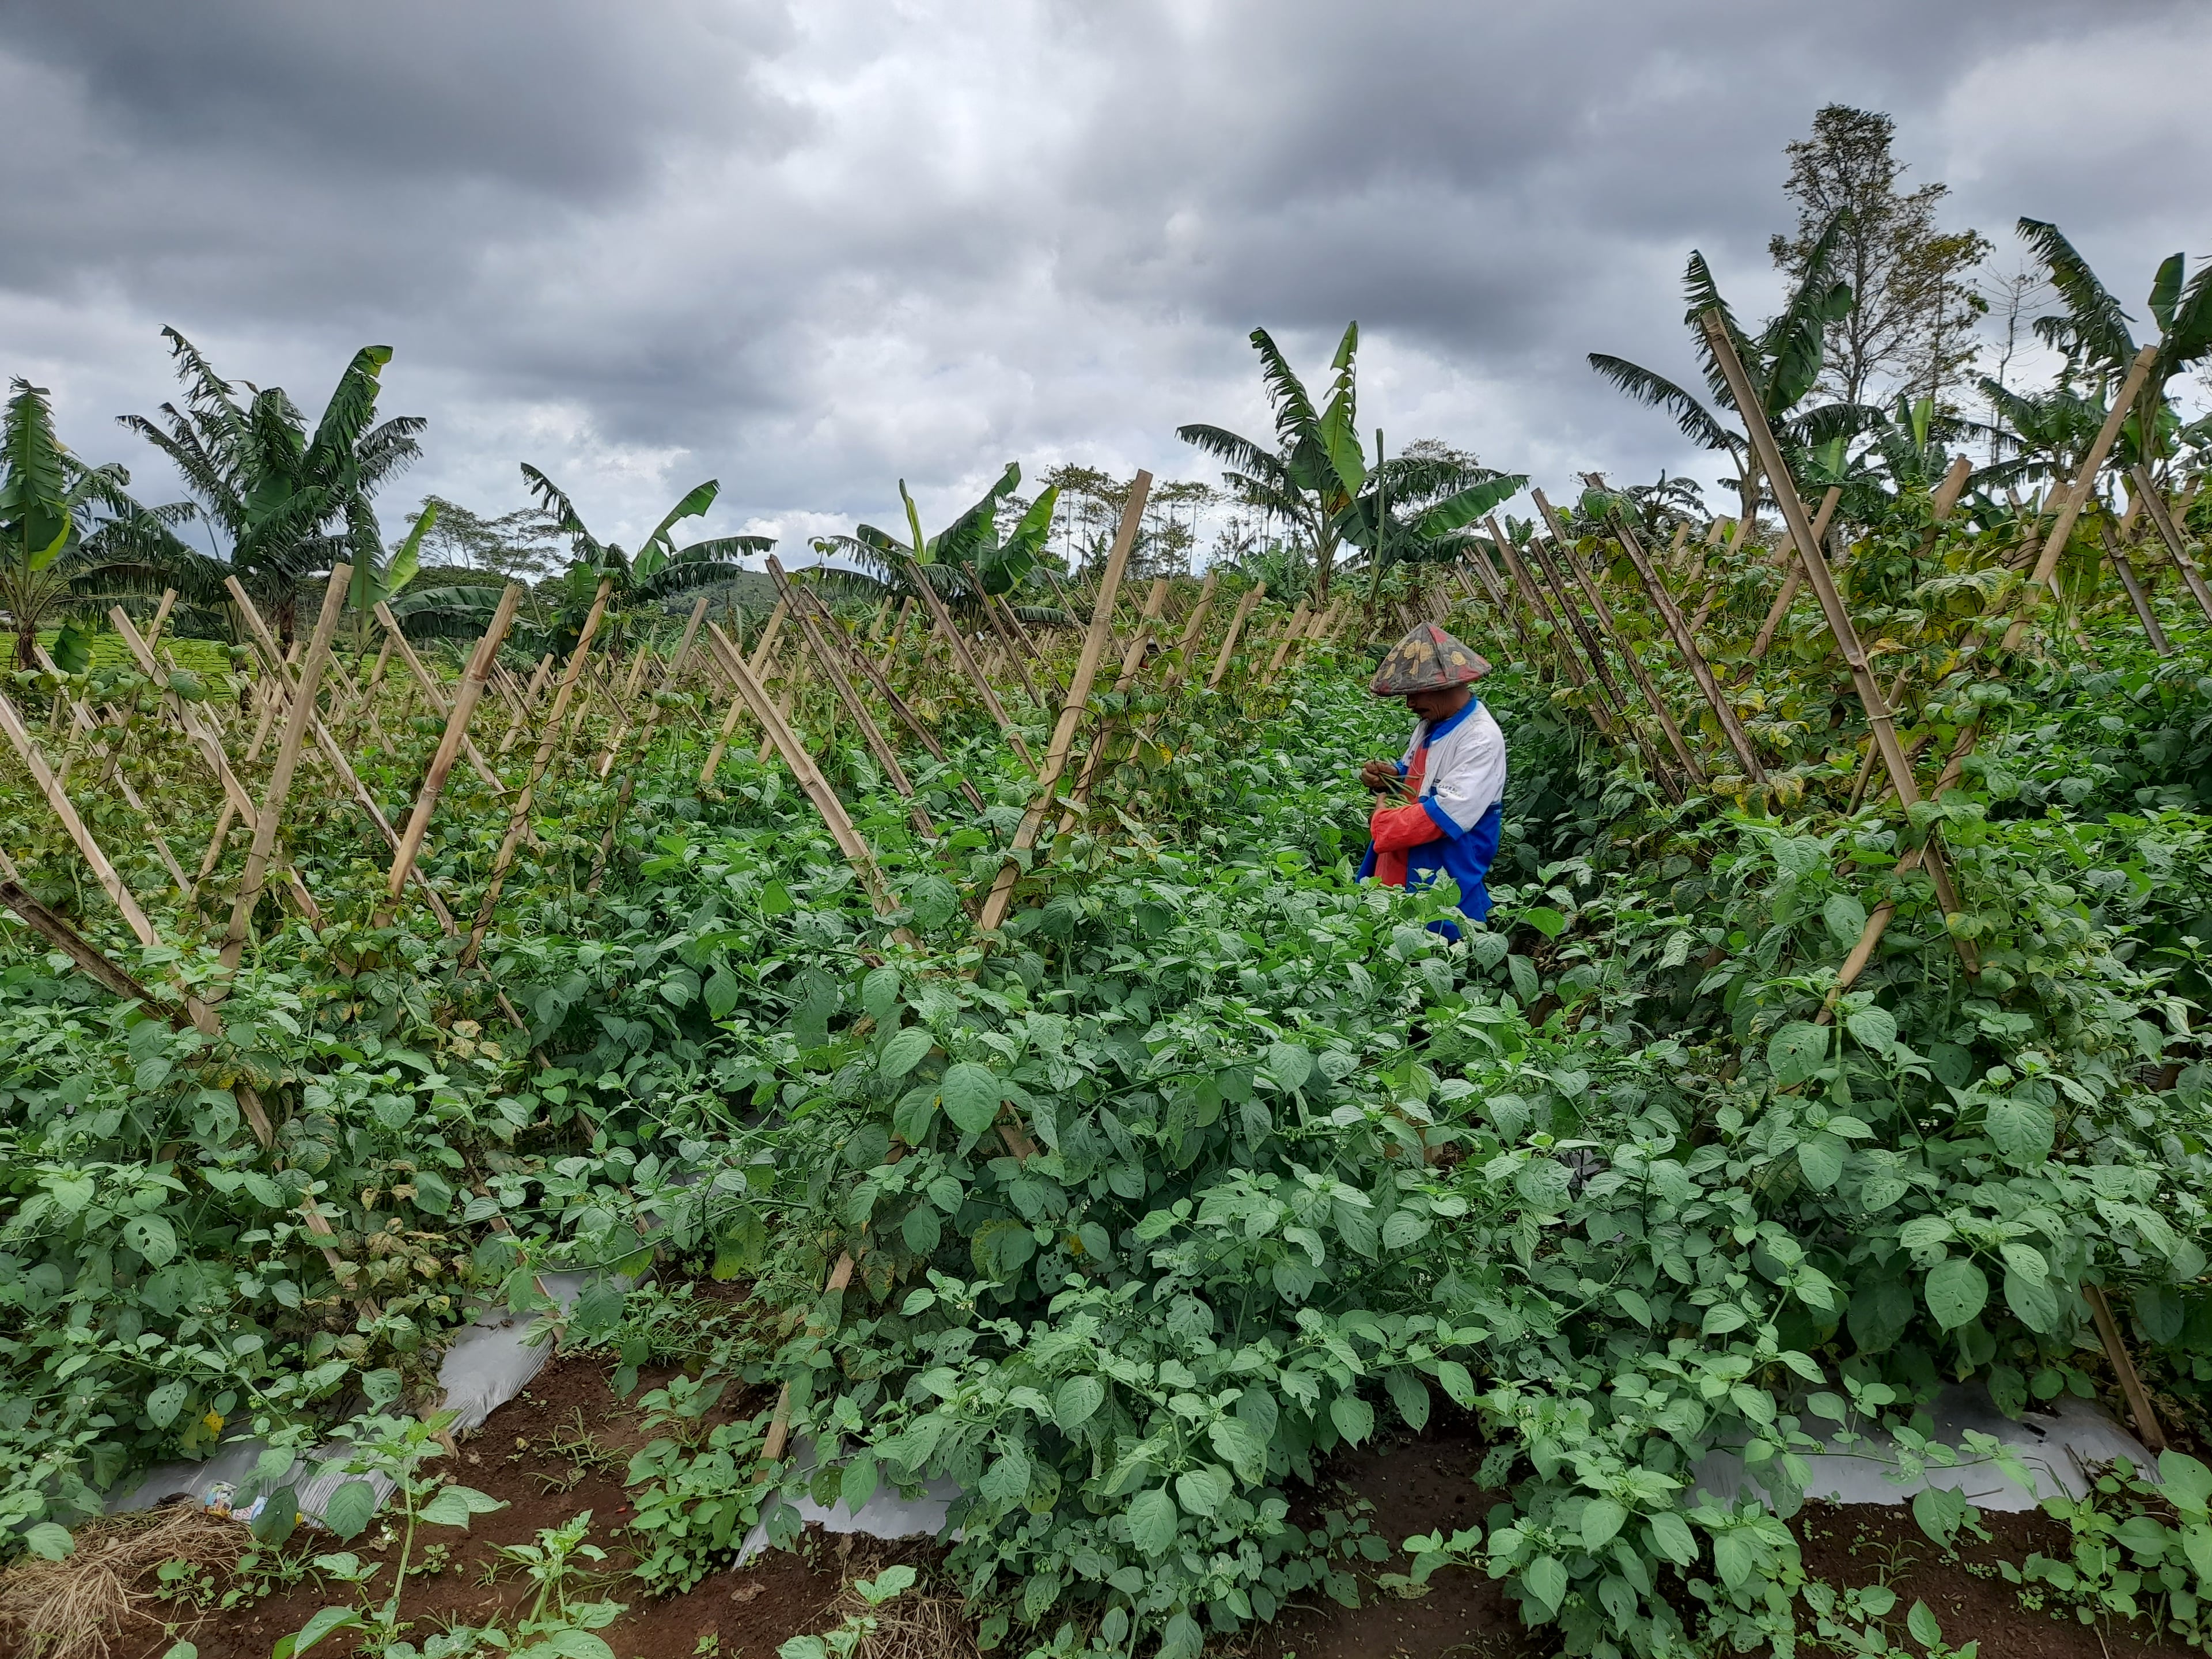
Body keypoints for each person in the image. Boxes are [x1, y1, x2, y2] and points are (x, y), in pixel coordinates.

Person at [1355, 622, 1506, 933]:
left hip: (1446, 857)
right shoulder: (1431, 723)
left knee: (1441, 930)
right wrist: (1392, 776)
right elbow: (1415, 770)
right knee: (1391, 929)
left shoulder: (1480, 737)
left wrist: (1384, 823)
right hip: (1408, 848)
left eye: (1414, 693)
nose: (1409, 704)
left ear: (1447, 686)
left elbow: (1449, 813)